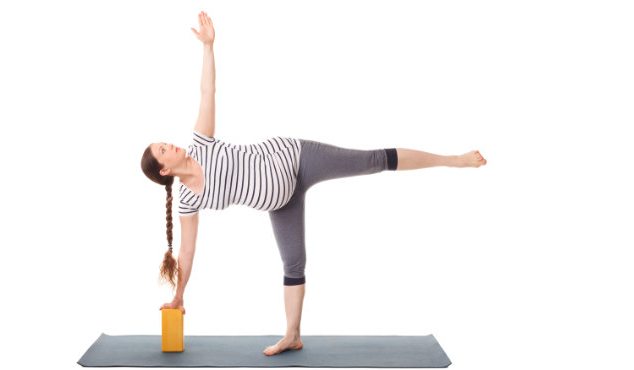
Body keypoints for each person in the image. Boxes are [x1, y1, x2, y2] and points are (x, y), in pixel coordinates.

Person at [140, 11, 487, 357]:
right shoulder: (187, 199)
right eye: (162, 150)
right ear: (165, 171)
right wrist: (179, 296)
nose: (169, 145)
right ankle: (292, 335)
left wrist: (209, 47)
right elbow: (186, 251)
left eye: (164, 142)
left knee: (373, 161)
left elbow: (207, 91)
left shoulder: (202, 143)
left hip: (297, 158)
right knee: (293, 265)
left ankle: (452, 159)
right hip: (280, 204)